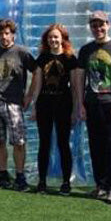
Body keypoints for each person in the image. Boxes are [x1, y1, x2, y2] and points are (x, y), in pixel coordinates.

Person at [75, 11, 111, 205]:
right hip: (92, 104)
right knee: (96, 146)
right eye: (94, 25)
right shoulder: (86, 50)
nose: (98, 29)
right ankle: (100, 185)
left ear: (108, 24)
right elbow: (80, 78)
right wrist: (80, 104)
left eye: (101, 25)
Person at [0, 18, 39, 192]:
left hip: (13, 103)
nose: (4, 37)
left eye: (7, 33)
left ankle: (20, 177)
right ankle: (3, 175)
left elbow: (37, 71)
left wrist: (29, 95)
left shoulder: (22, 53)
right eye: (0, 34)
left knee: (18, 142)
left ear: (13, 34)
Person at [30, 24, 78, 196]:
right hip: (45, 104)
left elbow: (74, 86)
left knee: (63, 144)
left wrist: (76, 108)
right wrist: (34, 106)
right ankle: (41, 182)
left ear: (63, 39)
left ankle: (66, 183)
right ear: (46, 40)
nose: (53, 40)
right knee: (44, 143)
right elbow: (37, 86)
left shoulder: (70, 59)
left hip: (64, 105)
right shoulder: (42, 58)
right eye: (50, 37)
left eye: (56, 37)